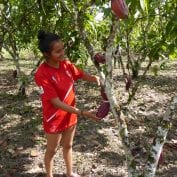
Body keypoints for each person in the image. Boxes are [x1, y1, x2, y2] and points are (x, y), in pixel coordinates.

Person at [34, 30, 100, 177]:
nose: (63, 53)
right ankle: (49, 175)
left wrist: (95, 78)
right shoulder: (42, 74)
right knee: (52, 150)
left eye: (63, 48)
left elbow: (81, 74)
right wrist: (82, 113)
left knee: (68, 145)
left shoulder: (66, 64)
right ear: (46, 53)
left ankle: (69, 173)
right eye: (58, 51)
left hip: (70, 115)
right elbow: (55, 102)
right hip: (54, 118)